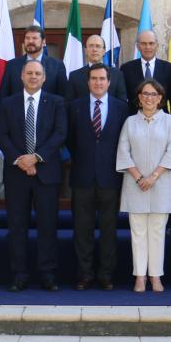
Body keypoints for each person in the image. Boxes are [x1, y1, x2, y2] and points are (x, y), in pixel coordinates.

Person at [0, 60, 68, 291]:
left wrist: (35, 157)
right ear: (22, 76)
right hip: (17, 174)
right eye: (29, 73)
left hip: (46, 173)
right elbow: (1, 135)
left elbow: (60, 133)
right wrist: (22, 160)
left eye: (38, 73)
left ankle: (47, 273)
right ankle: (19, 274)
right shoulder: (8, 103)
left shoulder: (56, 102)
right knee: (17, 226)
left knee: (47, 226)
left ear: (44, 78)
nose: (33, 77)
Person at [67, 63, 127, 290]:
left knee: (109, 230)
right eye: (94, 79)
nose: (98, 83)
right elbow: (70, 139)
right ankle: (84, 275)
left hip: (111, 178)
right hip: (82, 177)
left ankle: (106, 275)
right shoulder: (75, 107)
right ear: (88, 81)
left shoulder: (122, 108)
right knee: (82, 230)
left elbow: (124, 141)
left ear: (109, 82)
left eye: (102, 79)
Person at [117, 79, 171, 292]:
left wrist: (153, 177)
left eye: (153, 94)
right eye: (145, 94)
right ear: (139, 97)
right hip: (135, 185)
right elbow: (123, 152)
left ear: (160, 98)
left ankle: (156, 276)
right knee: (137, 233)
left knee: (157, 232)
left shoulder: (170, 121)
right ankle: (140, 277)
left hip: (161, 185)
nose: (149, 98)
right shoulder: (129, 122)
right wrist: (138, 177)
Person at [0, 25, 68, 99]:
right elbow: (3, 97)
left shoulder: (57, 66)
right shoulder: (12, 65)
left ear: (43, 42)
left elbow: (63, 97)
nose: (30, 41)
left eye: (34, 38)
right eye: (27, 38)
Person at [121, 30, 171, 115]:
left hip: (162, 121)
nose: (147, 47)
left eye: (151, 43)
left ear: (157, 46)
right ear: (137, 46)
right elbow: (123, 100)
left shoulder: (170, 69)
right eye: (143, 43)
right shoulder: (126, 69)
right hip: (134, 121)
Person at [65, 34, 127, 103]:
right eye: (91, 46)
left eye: (98, 46)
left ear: (104, 51)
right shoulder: (74, 76)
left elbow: (122, 103)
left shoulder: (117, 74)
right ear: (85, 50)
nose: (94, 49)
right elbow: (69, 104)